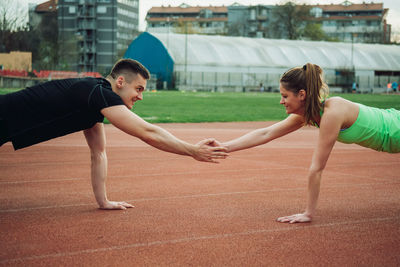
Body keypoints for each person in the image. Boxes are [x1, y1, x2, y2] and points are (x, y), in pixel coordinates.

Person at [0, 59, 228, 210]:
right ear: (120, 81)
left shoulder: (93, 100)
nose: (141, 96)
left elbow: (98, 153)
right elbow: (148, 132)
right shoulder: (99, 93)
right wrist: (192, 150)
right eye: (138, 89)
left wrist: (103, 202)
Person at [217, 63, 400, 223]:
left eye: (285, 96)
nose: (281, 101)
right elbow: (266, 133)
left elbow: (316, 168)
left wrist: (308, 213)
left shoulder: (332, 113)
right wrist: (223, 146)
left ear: (302, 94)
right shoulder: (309, 114)